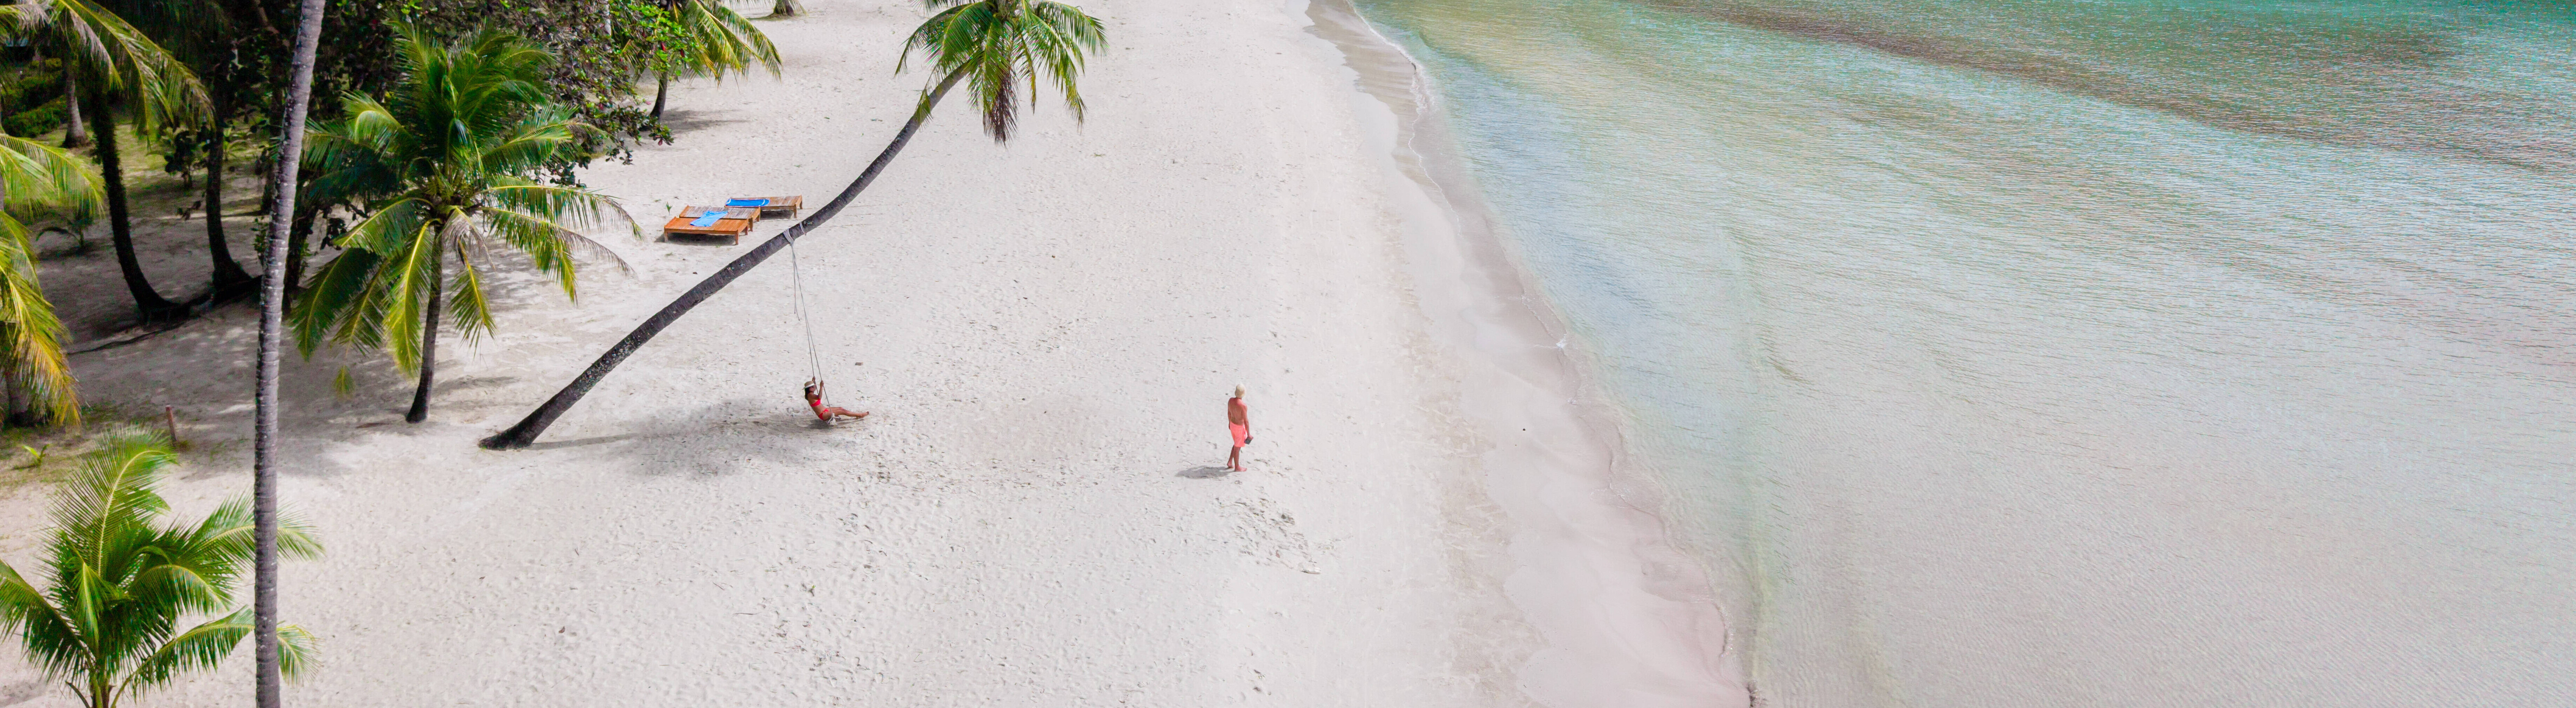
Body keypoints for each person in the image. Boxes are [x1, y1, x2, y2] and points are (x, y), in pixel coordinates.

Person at [804, 379, 869, 422]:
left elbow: (815, 391)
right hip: (823, 414)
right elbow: (820, 397)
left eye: (814, 387)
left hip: (825, 410)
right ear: (808, 389)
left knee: (841, 408)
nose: (814, 388)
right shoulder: (810, 395)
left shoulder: (810, 394)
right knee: (843, 411)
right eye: (813, 387)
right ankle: (860, 415)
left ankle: (858, 415)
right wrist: (821, 387)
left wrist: (814, 382)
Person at [1227, 385, 1252, 472]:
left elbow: (1229, 413)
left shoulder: (1230, 401)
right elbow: (1246, 421)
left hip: (1233, 425)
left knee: (1236, 444)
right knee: (1238, 447)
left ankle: (1230, 462)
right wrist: (1249, 434)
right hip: (1239, 428)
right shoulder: (1243, 406)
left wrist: (1229, 423)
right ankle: (1237, 467)